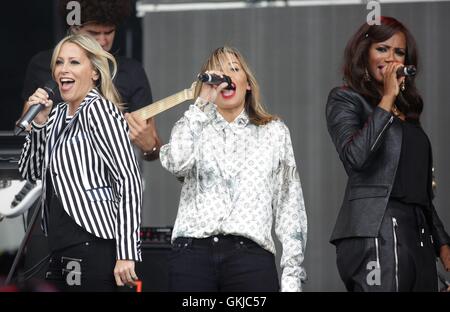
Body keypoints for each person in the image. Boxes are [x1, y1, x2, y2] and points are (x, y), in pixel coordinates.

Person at [18, 0, 159, 284]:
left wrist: (127, 251)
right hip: (58, 239)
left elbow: (128, 179)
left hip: (91, 238)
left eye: (73, 62)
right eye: (59, 62)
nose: (63, 69)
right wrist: (39, 124)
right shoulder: (57, 114)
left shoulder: (99, 110)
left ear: (94, 72)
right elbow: (31, 171)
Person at [160, 46, 307, 292]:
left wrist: (292, 276)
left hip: (250, 257)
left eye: (233, 69)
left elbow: (289, 202)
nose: (225, 77)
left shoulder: (274, 131)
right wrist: (201, 104)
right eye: (217, 72)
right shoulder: (192, 125)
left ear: (247, 83)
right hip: (192, 254)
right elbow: (177, 162)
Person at [326, 16, 450, 291]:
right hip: (376, 229)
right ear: (364, 53)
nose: (391, 58)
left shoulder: (408, 116)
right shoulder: (346, 99)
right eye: (382, 48)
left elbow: (420, 192)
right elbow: (355, 157)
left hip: (417, 231)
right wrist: (387, 99)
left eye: (399, 52)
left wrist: (442, 243)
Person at [21, 0, 161, 159]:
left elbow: (154, 149)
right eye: (94, 33)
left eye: (109, 32)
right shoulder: (43, 65)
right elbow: (23, 132)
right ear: (74, 29)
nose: (102, 41)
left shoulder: (132, 71)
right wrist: (36, 123)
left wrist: (150, 146)